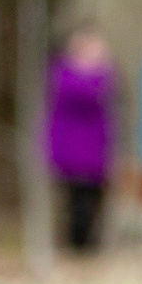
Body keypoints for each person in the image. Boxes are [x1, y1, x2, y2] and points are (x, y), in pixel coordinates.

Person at [47, 24, 117, 253]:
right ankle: (75, 248)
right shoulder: (65, 75)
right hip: (72, 150)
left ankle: (89, 248)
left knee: (94, 201)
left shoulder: (105, 76)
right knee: (75, 202)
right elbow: (85, 95)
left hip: (96, 152)